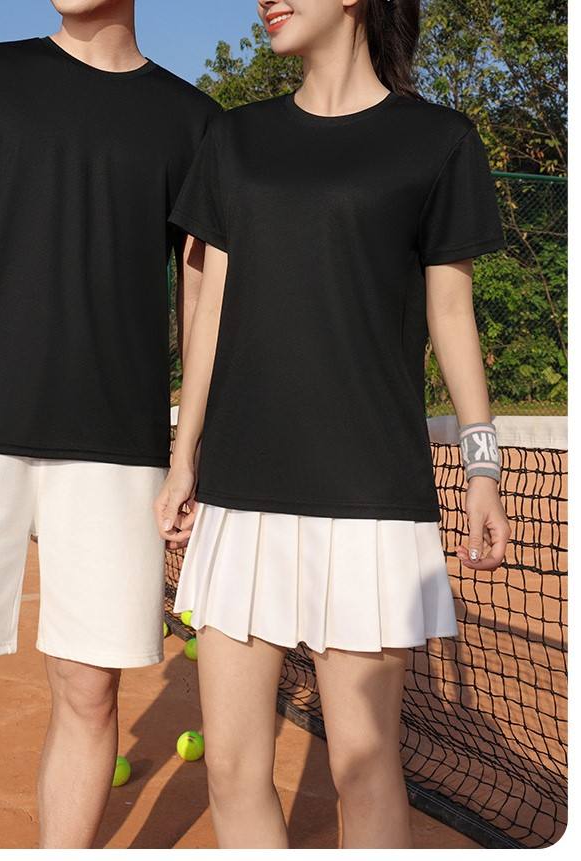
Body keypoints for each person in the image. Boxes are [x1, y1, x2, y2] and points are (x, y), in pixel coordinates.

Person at [0, 0, 219, 848]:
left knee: (90, 696)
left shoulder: (194, 120)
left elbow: (199, 296)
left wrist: (187, 450)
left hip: (117, 451)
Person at [155, 0, 511, 849]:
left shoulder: (440, 141)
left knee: (363, 762)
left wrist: (483, 465)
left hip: (371, 496)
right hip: (242, 489)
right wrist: (182, 456)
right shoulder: (234, 140)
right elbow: (209, 312)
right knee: (232, 766)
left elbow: (451, 313)